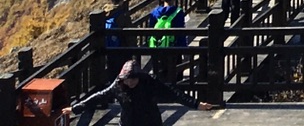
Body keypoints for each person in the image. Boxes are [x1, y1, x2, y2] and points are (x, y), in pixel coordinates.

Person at [65, 58, 211, 126]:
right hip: (129, 123)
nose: (130, 83)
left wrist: (196, 104)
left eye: (133, 80)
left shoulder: (149, 82)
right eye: (127, 80)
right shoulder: (118, 85)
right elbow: (98, 97)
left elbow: (174, 94)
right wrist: (74, 108)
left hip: (150, 122)